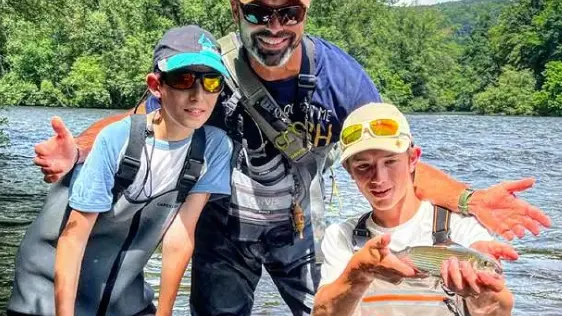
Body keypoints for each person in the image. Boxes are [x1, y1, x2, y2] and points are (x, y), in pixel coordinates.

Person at [32, 0, 551, 315]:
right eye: (259, 11)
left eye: (289, 13)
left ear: (305, 14)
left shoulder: (340, 79)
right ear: (237, 12)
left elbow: (395, 160)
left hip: (301, 232)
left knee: (337, 309)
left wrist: (468, 198)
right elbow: (141, 119)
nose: (274, 24)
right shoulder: (212, 69)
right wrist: (78, 148)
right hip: (222, 235)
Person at [8, 25, 233, 316]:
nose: (198, 95)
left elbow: (179, 237)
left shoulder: (214, 147)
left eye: (211, 82)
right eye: (183, 79)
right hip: (47, 297)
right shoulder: (118, 139)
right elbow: (72, 239)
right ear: (156, 85)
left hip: (126, 300)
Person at [313, 103, 518, 316]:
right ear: (349, 171)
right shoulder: (341, 236)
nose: (379, 178)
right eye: (364, 166)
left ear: (413, 159)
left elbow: (500, 309)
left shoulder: (463, 229)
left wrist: (480, 292)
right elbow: (321, 312)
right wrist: (360, 271)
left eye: (390, 161)